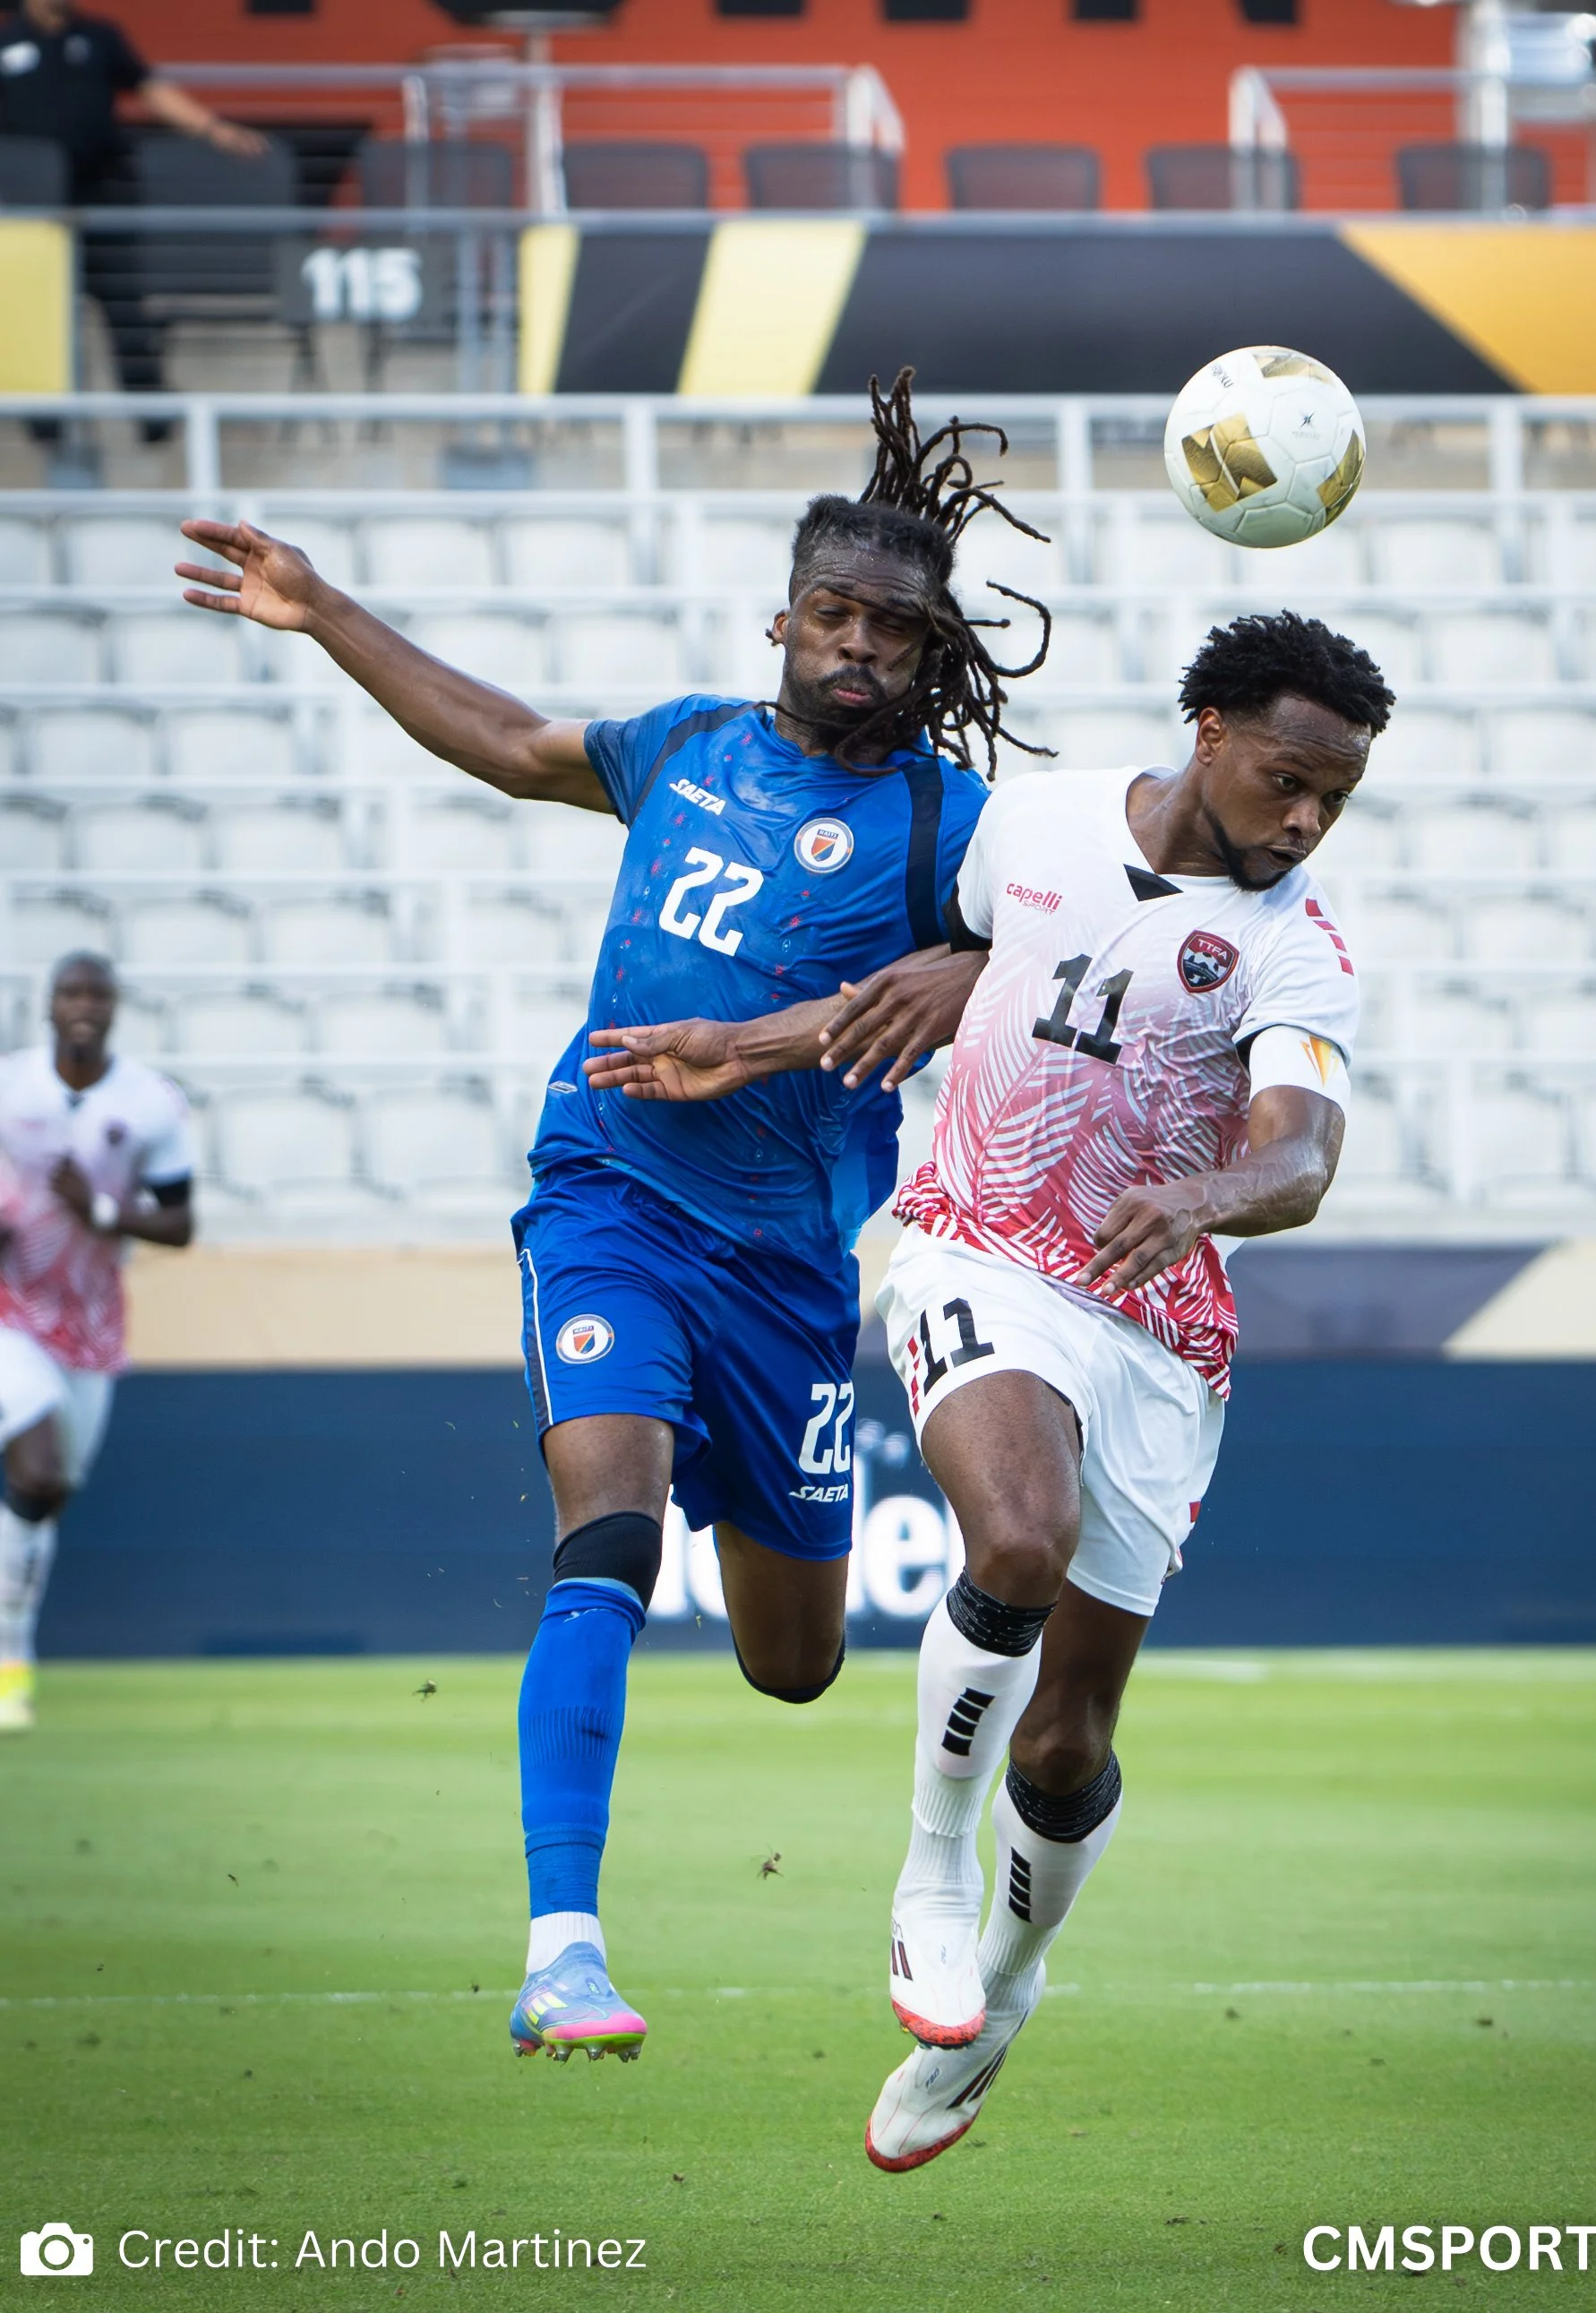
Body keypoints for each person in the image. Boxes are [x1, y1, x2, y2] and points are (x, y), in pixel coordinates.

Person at [172, 374, 1046, 2063]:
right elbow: (508, 744)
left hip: (789, 1271)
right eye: (834, 613)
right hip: (609, 1201)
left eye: (893, 627)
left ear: (932, 655)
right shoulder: (686, 747)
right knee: (607, 1532)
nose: (858, 645)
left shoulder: (957, 826)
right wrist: (321, 606)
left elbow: (1074, 941)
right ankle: (561, 1948)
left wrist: (969, 960)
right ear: (783, 618)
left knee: (792, 1664)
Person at [596, 610, 1393, 2166]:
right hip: (981, 1248)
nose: (1304, 819)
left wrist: (1216, 1193)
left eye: (1336, 800)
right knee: (1011, 1541)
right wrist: (749, 1045)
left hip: (1158, 1327)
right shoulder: (1029, 821)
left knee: (1068, 1743)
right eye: (1289, 779)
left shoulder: (1298, 946)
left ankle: (1006, 1995)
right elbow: (942, 981)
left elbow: (1300, 1150)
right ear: (1209, 730)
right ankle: (932, 1879)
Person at [0, 950, 195, 1733]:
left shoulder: (149, 1103)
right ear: (49, 1007)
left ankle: (12, 1658)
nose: (83, 1006)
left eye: (97, 995)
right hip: (12, 1313)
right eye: (70, 993)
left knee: (45, 1498)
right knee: (37, 1468)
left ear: (112, 1010)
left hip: (90, 1327)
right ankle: (11, 1672)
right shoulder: (11, 1087)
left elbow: (180, 1224)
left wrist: (104, 1214)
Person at [0, 0, 265, 426]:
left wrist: (214, 129)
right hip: (34, 209)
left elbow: (149, 88)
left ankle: (151, 416)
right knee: (40, 315)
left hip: (104, 194)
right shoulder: (7, 42)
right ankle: (47, 425)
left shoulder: (100, 35)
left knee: (124, 305)